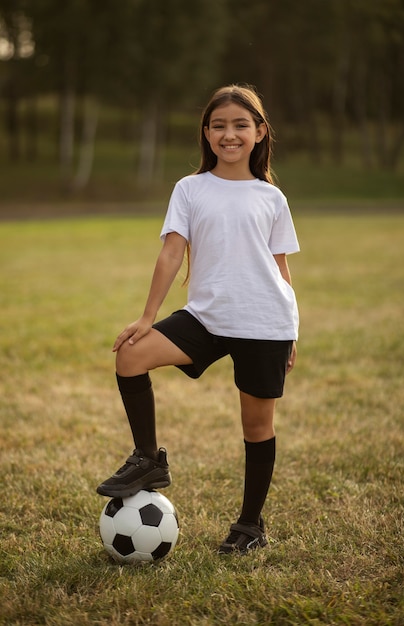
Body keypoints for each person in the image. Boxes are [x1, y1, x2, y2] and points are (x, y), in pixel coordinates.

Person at [97, 84, 300, 555]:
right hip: (206, 317)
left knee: (256, 425)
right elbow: (171, 253)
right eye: (219, 126)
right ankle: (148, 459)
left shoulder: (272, 198)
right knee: (131, 354)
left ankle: (249, 526)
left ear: (259, 132)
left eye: (240, 125)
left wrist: (294, 330)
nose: (229, 134)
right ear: (207, 135)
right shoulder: (190, 189)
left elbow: (281, 269)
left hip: (264, 320)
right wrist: (148, 317)